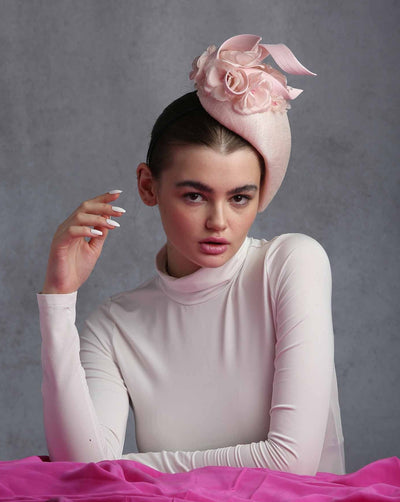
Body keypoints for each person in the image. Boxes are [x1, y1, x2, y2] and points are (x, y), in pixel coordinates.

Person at [37, 34, 345, 476]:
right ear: (148, 186)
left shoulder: (291, 264)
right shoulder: (113, 326)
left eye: (240, 198)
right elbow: (79, 470)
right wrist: (58, 299)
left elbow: (291, 463)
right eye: (195, 196)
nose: (219, 221)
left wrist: (128, 467)